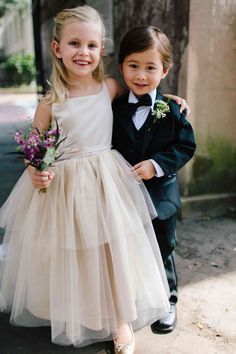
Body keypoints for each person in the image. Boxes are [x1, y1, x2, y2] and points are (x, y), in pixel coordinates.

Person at [0, 6, 189, 354]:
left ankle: (119, 320)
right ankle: (77, 310)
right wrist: (36, 171)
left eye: (91, 45)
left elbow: (143, 95)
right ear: (57, 49)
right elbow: (36, 148)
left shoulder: (110, 87)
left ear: (101, 50)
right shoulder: (50, 102)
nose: (82, 52)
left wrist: (172, 101)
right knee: (74, 253)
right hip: (65, 188)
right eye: (74, 44)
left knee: (112, 251)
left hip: (107, 181)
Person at [112, 25, 196, 334]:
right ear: (121, 66)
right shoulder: (113, 108)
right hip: (122, 195)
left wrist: (157, 165)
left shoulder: (173, 110)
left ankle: (168, 300)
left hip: (161, 196)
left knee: (163, 246)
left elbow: (185, 146)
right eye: (133, 66)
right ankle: (134, 298)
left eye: (150, 68)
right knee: (130, 247)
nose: (141, 75)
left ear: (164, 70)